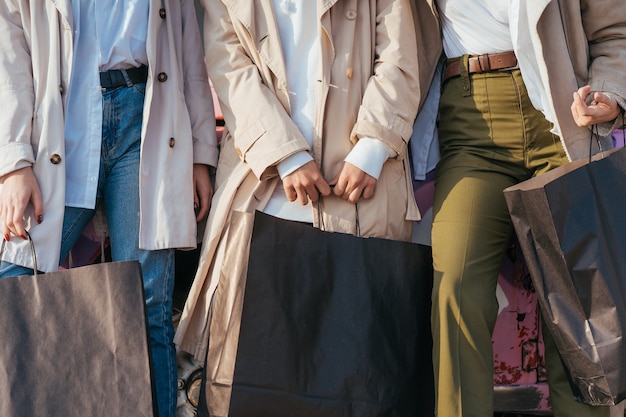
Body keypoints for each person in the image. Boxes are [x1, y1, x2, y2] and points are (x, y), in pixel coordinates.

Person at [173, 0, 424, 415]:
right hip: (265, 182)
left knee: (357, 364)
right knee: (253, 361)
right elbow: (229, 64)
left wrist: (374, 147)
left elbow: (399, 55)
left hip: (359, 182)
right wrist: (285, 155)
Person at [0, 2, 219, 416]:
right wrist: (13, 162)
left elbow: (190, 46)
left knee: (147, 302)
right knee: (13, 278)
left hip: (149, 116)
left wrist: (200, 154)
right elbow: (7, 50)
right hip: (60, 122)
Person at [409, 0, 626, 416]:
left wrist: (611, 93)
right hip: (471, 124)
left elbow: (615, 31)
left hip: (562, 115)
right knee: (455, 285)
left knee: (576, 299)